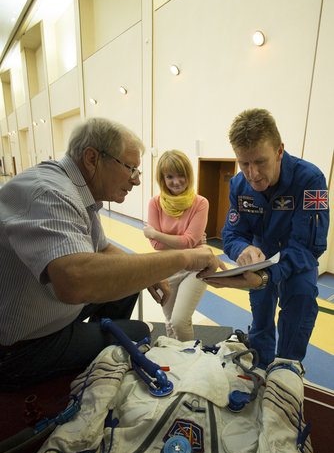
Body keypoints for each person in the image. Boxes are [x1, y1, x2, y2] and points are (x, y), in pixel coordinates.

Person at [0, 118, 223, 390]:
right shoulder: (50, 193)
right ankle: (92, 362)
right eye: (131, 169)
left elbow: (104, 249)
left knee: (132, 281)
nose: (137, 180)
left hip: (47, 312)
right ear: (92, 158)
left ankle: (93, 348)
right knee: (139, 333)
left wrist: (148, 274)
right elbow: (74, 282)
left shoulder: (75, 189)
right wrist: (187, 257)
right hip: (20, 347)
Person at [205, 108, 329, 369]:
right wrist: (244, 249)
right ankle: (260, 370)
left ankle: (286, 373)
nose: (253, 173)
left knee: (299, 311)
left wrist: (267, 275)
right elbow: (231, 234)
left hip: (297, 262)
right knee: (261, 319)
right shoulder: (239, 185)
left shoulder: (310, 180)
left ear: (279, 151)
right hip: (260, 260)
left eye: (260, 161)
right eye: (244, 163)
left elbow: (309, 248)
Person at [144, 150, 209, 341]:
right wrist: (188, 242)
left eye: (181, 175)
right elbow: (157, 246)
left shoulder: (200, 203)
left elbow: (187, 242)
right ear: (162, 179)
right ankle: (174, 362)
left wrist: (156, 233)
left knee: (180, 321)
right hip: (167, 267)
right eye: (170, 176)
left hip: (195, 267)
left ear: (189, 175)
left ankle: (190, 360)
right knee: (169, 321)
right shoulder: (155, 203)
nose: (176, 181)